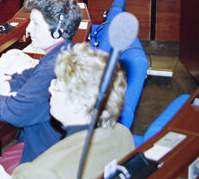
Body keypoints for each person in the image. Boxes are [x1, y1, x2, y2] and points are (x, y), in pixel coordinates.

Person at [0, 0, 81, 171]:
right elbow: (30, 75)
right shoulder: (64, 51)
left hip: (42, 161)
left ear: (57, 30)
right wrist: (3, 84)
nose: (28, 29)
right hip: (47, 147)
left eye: (35, 23)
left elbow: (15, 112)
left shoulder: (53, 69)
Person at [11, 42, 133, 179]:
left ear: (79, 104)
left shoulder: (45, 172)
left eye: (57, 84)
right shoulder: (123, 134)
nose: (50, 89)